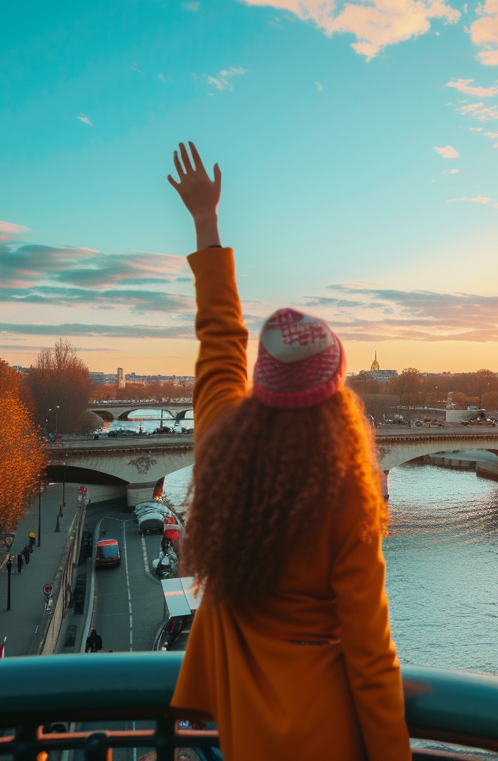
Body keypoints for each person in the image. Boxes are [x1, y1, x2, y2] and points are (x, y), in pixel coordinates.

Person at [166, 142, 408, 761]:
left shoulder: (222, 439)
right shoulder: (347, 498)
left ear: (262, 382)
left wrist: (205, 221)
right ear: (337, 398)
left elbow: (219, 335)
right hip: (324, 733)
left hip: (236, 725)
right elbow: (372, 657)